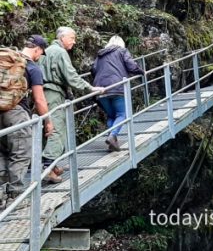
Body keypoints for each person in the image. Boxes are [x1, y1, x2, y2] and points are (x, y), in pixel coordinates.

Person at [39, 27, 102, 184]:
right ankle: (47, 169)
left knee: (49, 129)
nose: (74, 41)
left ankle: (52, 166)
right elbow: (71, 76)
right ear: (62, 38)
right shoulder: (60, 52)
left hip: (43, 93)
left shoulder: (45, 51)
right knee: (56, 130)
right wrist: (90, 88)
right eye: (72, 38)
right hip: (53, 94)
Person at [0, 35, 54, 210]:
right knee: (21, 153)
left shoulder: (6, 61)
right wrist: (48, 121)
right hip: (15, 113)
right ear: (37, 49)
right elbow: (39, 100)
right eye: (41, 53)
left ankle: (2, 194)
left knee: (2, 153)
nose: (40, 56)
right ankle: (16, 196)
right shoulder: (32, 68)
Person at [92, 36, 144, 152]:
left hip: (100, 89)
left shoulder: (100, 55)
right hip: (117, 87)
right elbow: (131, 65)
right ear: (121, 43)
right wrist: (141, 71)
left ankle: (112, 141)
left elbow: (94, 69)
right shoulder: (122, 51)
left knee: (111, 116)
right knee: (121, 114)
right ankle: (112, 136)